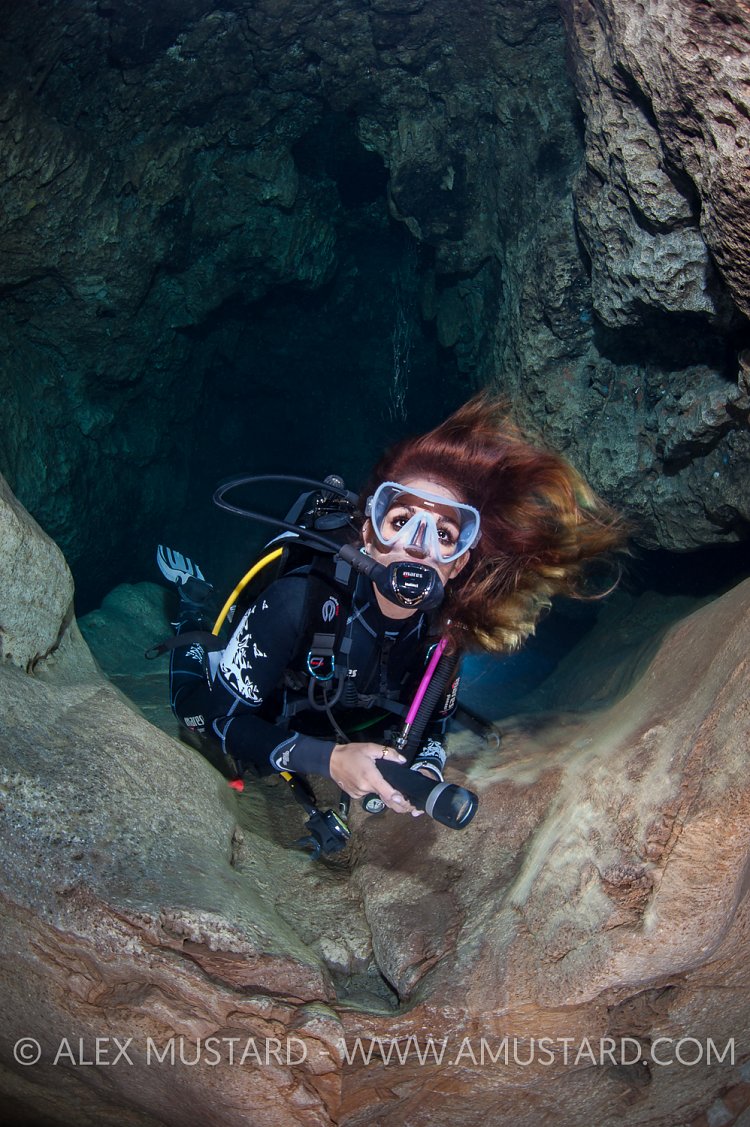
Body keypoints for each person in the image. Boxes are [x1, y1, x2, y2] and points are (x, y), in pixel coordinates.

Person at [157, 392, 625, 821]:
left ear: (459, 563)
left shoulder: (446, 636)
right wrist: (329, 760)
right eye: (401, 521)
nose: (418, 546)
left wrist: (425, 772)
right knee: (190, 708)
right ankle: (193, 604)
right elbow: (223, 718)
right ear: (369, 535)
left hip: (344, 715)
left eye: (443, 534)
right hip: (269, 700)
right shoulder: (296, 601)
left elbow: (433, 730)